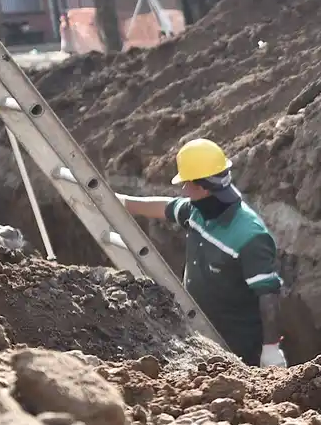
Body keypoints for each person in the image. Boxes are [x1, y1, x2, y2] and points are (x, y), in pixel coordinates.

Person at [117, 139, 287, 368]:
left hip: (238, 349)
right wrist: (123, 202)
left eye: (186, 184)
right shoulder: (198, 210)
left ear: (203, 187)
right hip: (199, 337)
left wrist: (270, 349)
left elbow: (268, 295)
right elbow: (165, 207)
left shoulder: (249, 236)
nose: (183, 190)